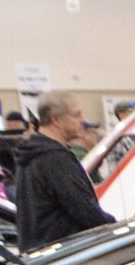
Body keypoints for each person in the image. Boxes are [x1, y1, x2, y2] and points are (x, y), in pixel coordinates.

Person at [13, 90, 112, 248]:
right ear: (56, 119)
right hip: (66, 256)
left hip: (39, 257)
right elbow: (84, 211)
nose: (82, 120)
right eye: (76, 115)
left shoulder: (30, 155)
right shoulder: (55, 159)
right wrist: (117, 227)